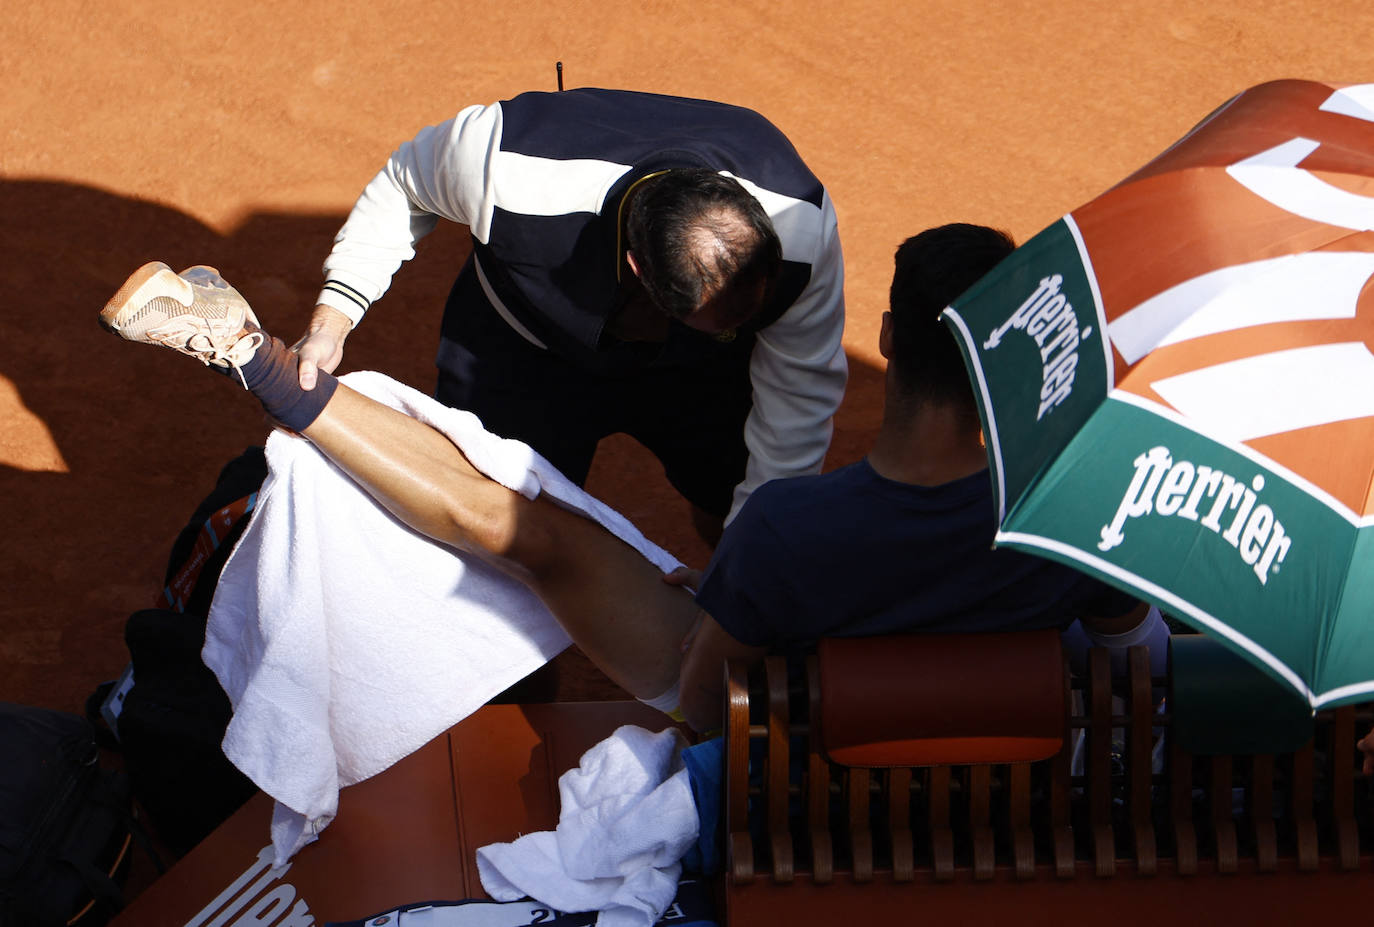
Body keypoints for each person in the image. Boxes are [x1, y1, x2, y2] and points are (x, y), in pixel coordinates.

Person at [100, 223, 1163, 736]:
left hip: (807, 773)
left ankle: (259, 360)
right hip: (1006, 772)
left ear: (891, 337)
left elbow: (710, 713)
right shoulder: (1085, 514)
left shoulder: (793, 531)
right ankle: (253, 356)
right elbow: (1130, 657)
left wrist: (723, 609)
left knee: (535, 536)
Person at [292, 88, 847, 544]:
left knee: (732, 497)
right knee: (494, 536)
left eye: (746, 321)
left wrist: (743, 571)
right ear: (637, 270)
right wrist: (333, 317)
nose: (745, 327)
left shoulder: (800, 234)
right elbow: (404, 183)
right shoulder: (506, 163)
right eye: (724, 321)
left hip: (701, 373)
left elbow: (793, 417)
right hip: (521, 357)